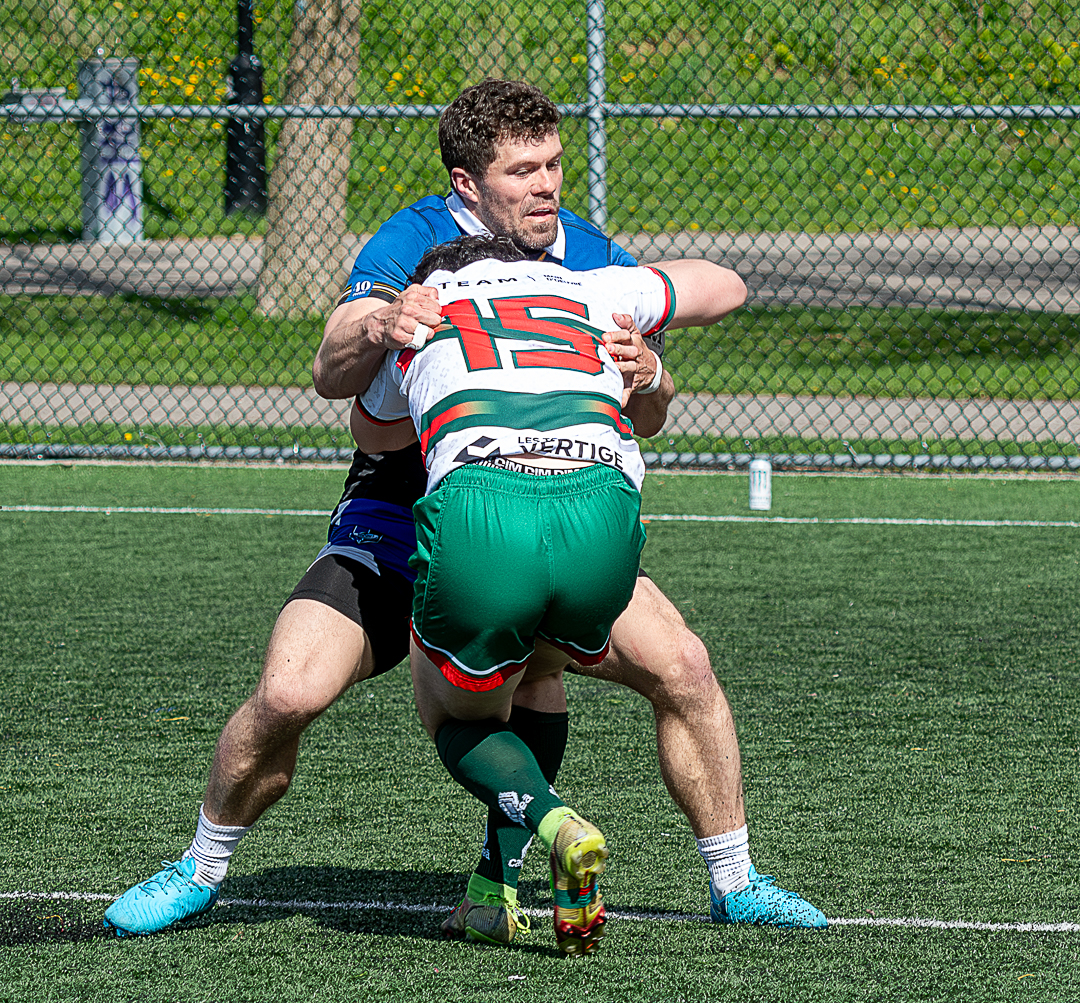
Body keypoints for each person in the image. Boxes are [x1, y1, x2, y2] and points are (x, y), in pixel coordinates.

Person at [103, 78, 824, 941]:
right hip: (398, 516)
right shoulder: (414, 240)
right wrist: (380, 322)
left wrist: (651, 376)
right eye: (522, 171)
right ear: (466, 185)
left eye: (555, 163)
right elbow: (336, 375)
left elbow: (649, 414)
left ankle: (725, 880)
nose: (547, 186)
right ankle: (200, 868)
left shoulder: (588, 253)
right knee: (291, 691)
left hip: (530, 500)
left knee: (684, 668)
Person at [359, 232, 745, 954]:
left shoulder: (424, 309)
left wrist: (397, 336)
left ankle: (557, 821)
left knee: (455, 717)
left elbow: (373, 433)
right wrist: (648, 355)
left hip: (487, 508)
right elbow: (726, 287)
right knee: (540, 668)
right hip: (601, 511)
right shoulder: (590, 287)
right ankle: (493, 890)